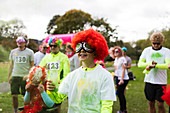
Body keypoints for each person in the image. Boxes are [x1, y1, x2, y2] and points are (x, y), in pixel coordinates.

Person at [47, 29, 116, 113]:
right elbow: (58, 99)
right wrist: (52, 91)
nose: (82, 50)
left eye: (87, 46)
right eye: (78, 46)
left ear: (96, 51)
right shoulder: (72, 76)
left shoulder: (105, 76)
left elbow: (106, 106)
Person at [138, 32, 170, 113]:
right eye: (154, 43)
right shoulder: (146, 50)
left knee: (160, 104)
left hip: (161, 82)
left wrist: (155, 66)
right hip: (149, 81)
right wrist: (150, 64)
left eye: (158, 44)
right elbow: (140, 64)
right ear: (151, 41)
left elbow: (167, 65)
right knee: (151, 103)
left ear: (161, 42)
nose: (156, 45)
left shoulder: (166, 51)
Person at [39, 37, 70, 113]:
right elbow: (40, 70)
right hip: (47, 87)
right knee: (47, 107)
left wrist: (60, 86)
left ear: (59, 46)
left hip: (58, 87)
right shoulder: (46, 57)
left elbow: (66, 74)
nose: (52, 47)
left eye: (55, 45)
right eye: (51, 45)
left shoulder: (64, 57)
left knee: (57, 108)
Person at [8, 36, 34, 113]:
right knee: (14, 96)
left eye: (21, 42)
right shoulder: (13, 52)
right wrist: (9, 75)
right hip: (15, 76)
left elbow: (32, 65)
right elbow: (11, 64)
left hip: (25, 77)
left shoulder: (30, 52)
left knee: (26, 95)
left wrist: (29, 75)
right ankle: (15, 111)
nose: (19, 43)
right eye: (18, 42)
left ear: (25, 43)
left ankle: (27, 110)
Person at [112, 46, 129, 113]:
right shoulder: (116, 59)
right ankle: (123, 109)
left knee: (120, 94)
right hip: (118, 77)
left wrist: (122, 79)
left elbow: (123, 69)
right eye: (114, 51)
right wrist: (114, 76)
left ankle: (123, 110)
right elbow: (117, 69)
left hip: (123, 78)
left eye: (117, 51)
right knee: (119, 94)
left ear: (120, 52)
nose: (115, 53)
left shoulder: (122, 59)